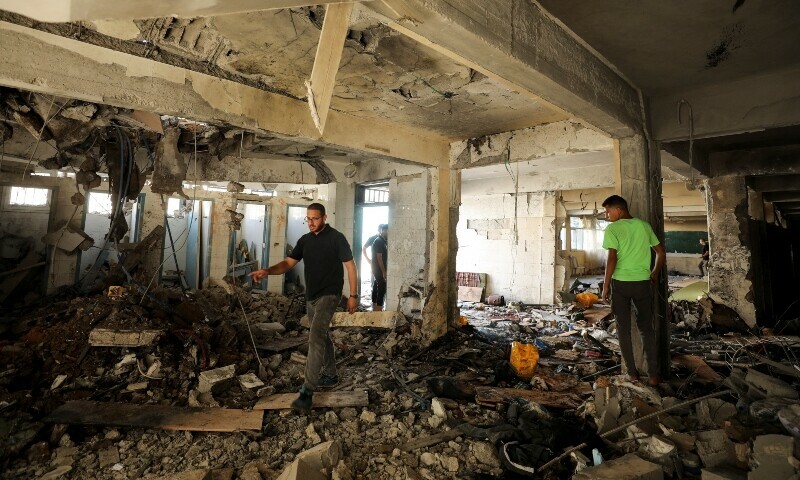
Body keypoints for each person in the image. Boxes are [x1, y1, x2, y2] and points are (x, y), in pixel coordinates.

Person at [249, 203, 358, 413]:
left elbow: (350, 267)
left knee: (315, 337)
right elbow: (288, 264)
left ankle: (307, 393)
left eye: (315, 219)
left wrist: (353, 295)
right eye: (308, 219)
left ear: (324, 218)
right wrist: (267, 271)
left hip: (330, 294)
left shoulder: (337, 238)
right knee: (321, 335)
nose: (310, 223)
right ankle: (331, 375)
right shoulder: (305, 240)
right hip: (312, 296)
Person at [600, 195, 666, 386]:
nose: (607, 215)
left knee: (624, 330)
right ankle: (653, 375)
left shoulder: (612, 229)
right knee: (646, 328)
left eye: (608, 211)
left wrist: (605, 286)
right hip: (643, 284)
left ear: (619, 210)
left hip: (620, 285)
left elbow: (612, 259)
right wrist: (655, 273)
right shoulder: (644, 226)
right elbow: (660, 252)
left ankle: (632, 373)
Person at [371, 224, 388, 311]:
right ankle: (378, 309)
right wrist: (384, 272)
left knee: (376, 285)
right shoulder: (379, 241)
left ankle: (374, 307)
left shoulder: (382, 241)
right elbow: (379, 257)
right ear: (383, 230)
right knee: (381, 288)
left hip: (376, 268)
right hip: (378, 268)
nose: (389, 233)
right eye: (388, 231)